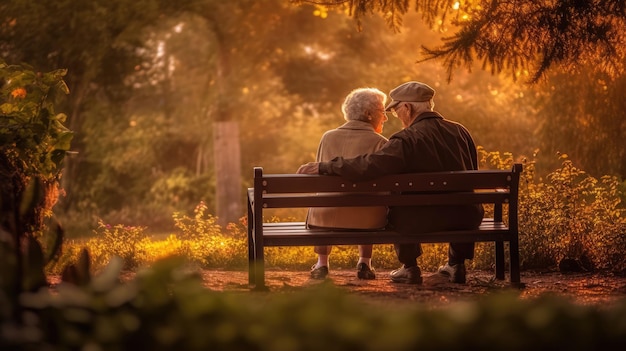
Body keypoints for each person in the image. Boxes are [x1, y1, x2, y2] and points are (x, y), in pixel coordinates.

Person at [297, 81, 484, 284]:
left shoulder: (406, 139)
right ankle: (456, 264)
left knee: (400, 208)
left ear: (407, 107)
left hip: (419, 221)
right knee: (461, 203)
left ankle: (410, 267)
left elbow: (370, 165)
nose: (395, 116)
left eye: (396, 111)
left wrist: (327, 167)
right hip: (466, 218)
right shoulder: (461, 132)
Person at [306, 87, 389, 280]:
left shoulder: (327, 137)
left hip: (326, 216)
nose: (385, 118)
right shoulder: (381, 142)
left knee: (324, 202)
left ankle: (322, 263)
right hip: (368, 219)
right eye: (383, 112)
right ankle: (364, 263)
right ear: (369, 114)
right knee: (371, 203)